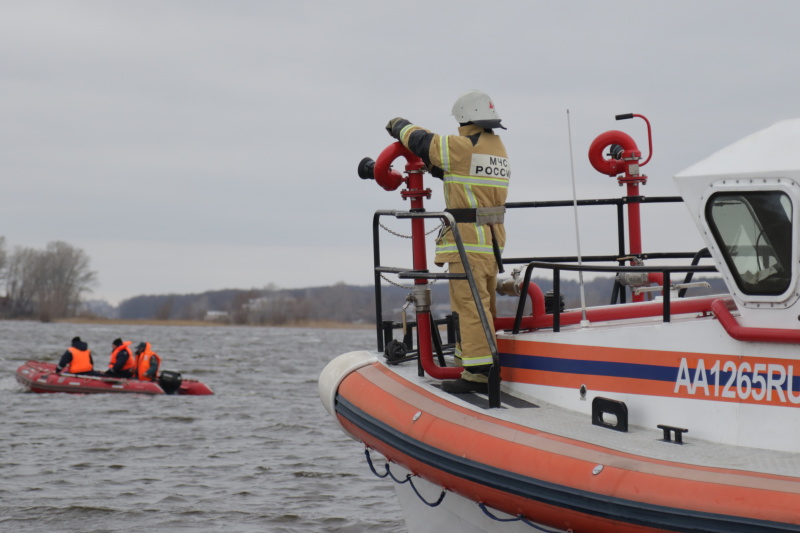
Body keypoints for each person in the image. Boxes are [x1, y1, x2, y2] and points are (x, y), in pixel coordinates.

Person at [385, 90, 510, 394]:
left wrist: (398, 125)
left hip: (468, 240)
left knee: (470, 306)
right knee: (483, 306)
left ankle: (478, 374)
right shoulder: (496, 148)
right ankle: (472, 362)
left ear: (466, 118)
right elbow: (458, 174)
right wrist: (433, 168)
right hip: (491, 240)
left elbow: (424, 142)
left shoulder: (463, 145)